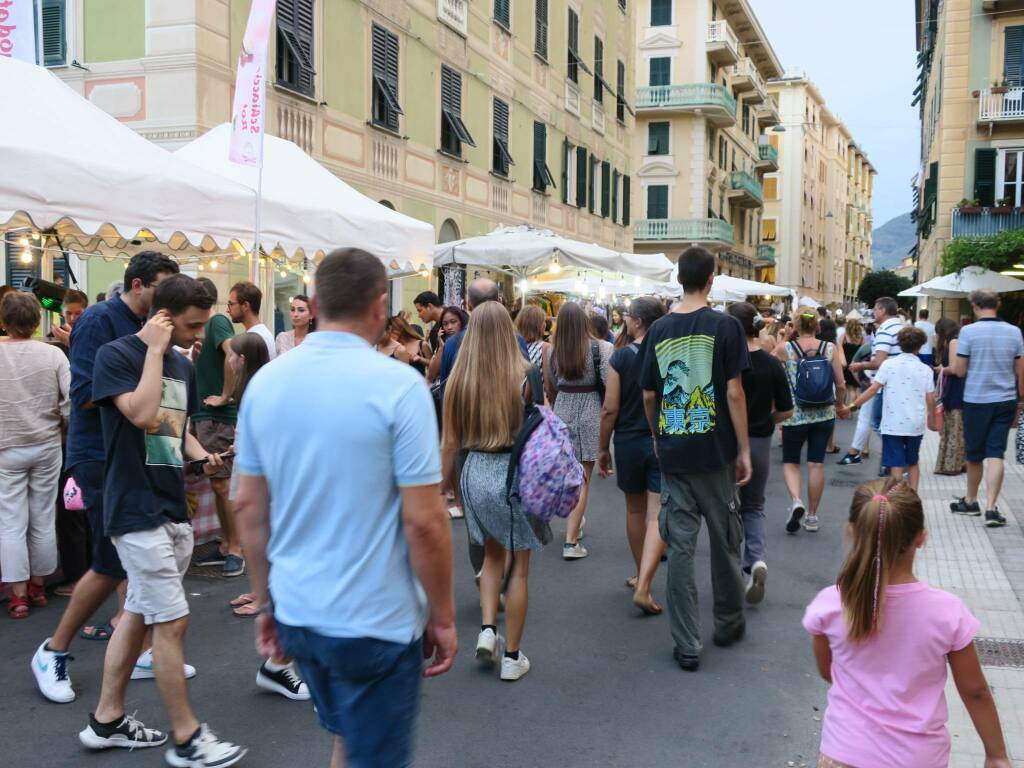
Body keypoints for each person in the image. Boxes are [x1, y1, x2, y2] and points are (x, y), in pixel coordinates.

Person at [235, 249, 455, 768]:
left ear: (312, 304)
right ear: (381, 306)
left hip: (299, 610)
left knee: (347, 739)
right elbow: (424, 521)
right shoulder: (399, 387)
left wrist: (266, 601)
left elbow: (248, 505)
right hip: (373, 618)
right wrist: (442, 615)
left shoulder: (266, 382)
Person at [80, 274, 247, 765]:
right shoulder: (119, 356)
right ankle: (187, 737)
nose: (200, 336)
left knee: (137, 614)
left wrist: (202, 458)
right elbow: (141, 413)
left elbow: (175, 428)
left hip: (169, 505)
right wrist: (152, 351)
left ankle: (105, 720)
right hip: (134, 509)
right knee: (171, 622)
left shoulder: (183, 363)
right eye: (193, 326)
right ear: (164, 316)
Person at [32, 251, 182, 704]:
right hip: (98, 454)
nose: (170, 298)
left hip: (134, 453)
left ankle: (135, 649)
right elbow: (84, 395)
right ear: (137, 284)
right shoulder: (100, 320)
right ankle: (53, 650)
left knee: (127, 558)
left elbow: (161, 399)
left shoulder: (157, 328)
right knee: (112, 559)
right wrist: (134, 397)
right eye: (163, 286)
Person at [803, 479, 1011, 768]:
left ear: (853, 531)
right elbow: (975, 692)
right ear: (921, 538)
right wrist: (996, 754)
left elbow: (830, 672)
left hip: (844, 752)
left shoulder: (829, 604)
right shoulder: (947, 613)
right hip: (917, 757)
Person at [639, 246, 752, 672]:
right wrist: (743, 449)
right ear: (712, 279)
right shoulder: (725, 326)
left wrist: (657, 434)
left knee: (681, 547)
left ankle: (687, 643)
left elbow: (649, 393)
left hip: (674, 452)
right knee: (725, 540)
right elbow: (735, 392)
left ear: (679, 279)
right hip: (715, 452)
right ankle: (727, 622)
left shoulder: (659, 329)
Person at [442, 301, 547, 681]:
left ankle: (488, 629)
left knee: (490, 556)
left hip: (474, 472)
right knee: (518, 567)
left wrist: (442, 488)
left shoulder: (459, 380)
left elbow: (450, 443)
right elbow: (540, 427)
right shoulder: (525, 374)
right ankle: (512, 656)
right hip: (512, 474)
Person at [0, 293, 69, 618]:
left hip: (6, 445)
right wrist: (62, 424)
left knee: (11, 521)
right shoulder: (53, 354)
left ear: (4, 322)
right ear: (37, 319)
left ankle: (17, 595)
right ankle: (39, 585)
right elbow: (70, 400)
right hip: (46, 442)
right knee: (42, 515)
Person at [597, 297, 667, 614]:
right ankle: (645, 583)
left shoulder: (621, 357)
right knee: (656, 514)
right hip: (662, 438)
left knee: (635, 511)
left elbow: (609, 408)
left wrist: (602, 448)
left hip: (627, 440)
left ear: (637, 321)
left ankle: (641, 573)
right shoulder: (668, 353)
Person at [726, 302, 793, 605]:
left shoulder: (725, 363)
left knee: (726, 506)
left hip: (726, 441)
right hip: (761, 442)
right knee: (754, 506)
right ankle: (756, 560)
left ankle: (730, 571)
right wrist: (767, 422)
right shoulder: (771, 363)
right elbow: (787, 409)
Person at [946, 289, 1024, 527]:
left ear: (975, 305)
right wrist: (1020, 400)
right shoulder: (1014, 332)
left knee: (974, 454)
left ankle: (971, 501)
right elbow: (1020, 370)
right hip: (1005, 399)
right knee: (996, 453)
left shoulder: (968, 332)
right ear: (997, 305)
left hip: (976, 400)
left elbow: (959, 370)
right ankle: (991, 508)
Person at [546, 301, 613, 560]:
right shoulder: (602, 348)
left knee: (568, 475)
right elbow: (609, 382)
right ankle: (571, 541)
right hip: (590, 410)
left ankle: (576, 520)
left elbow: (551, 384)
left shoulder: (554, 351)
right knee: (583, 478)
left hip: (562, 408)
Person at [189, 278, 243, 578]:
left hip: (217, 417)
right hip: (204, 415)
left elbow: (234, 355)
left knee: (222, 484)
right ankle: (227, 544)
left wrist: (224, 395)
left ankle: (235, 547)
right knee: (217, 484)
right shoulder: (203, 329)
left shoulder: (218, 320)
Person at [773, 311, 846, 534]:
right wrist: (841, 406)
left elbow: (769, 367)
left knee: (792, 463)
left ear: (795, 325)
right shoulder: (829, 348)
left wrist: (786, 336)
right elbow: (841, 384)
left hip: (794, 414)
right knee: (816, 464)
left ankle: (797, 501)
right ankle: (812, 517)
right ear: (817, 326)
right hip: (823, 413)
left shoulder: (785, 349)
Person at [842, 327, 936, 492]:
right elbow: (931, 399)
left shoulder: (888, 365)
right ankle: (913, 495)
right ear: (920, 346)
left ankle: (896, 497)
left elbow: (872, 390)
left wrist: (851, 406)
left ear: (899, 344)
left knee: (896, 463)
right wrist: (933, 422)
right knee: (913, 461)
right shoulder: (926, 370)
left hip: (893, 423)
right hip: (915, 424)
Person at [849, 297, 903, 476]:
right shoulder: (902, 326)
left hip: (885, 382)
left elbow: (878, 361)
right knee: (888, 422)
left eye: (875, 309)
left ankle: (897, 459)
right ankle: (891, 462)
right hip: (899, 381)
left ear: (882, 310)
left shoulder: (885, 330)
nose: (873, 312)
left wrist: (859, 366)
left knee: (878, 422)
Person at [934, 318, 966, 476]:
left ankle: (951, 465)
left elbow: (954, 368)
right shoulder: (958, 341)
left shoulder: (953, 342)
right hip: (957, 388)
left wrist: (941, 369)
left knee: (953, 427)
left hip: (955, 389)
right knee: (956, 428)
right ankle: (960, 462)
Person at [227, 281, 275, 361]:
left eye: (231, 304)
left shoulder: (258, 338)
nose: (227, 310)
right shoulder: (257, 334)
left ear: (245, 306)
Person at [426, 306, 468, 384]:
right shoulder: (443, 343)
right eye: (445, 324)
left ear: (461, 322)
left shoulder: (469, 341)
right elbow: (431, 375)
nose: (449, 327)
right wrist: (441, 348)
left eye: (453, 322)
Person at [516, 304, 550, 370]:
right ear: (537, 325)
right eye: (543, 321)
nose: (545, 324)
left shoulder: (514, 347)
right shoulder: (545, 348)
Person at [414, 291, 444, 355]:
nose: (419, 316)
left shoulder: (458, 316)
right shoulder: (434, 332)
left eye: (420, 310)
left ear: (430, 306)